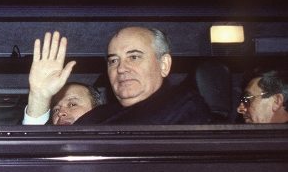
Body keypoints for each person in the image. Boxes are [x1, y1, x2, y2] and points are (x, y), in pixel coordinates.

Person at [24, 27, 213, 125]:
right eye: (114, 60)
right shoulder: (96, 119)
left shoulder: (184, 107)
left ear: (164, 65)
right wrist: (39, 97)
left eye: (134, 57)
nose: (121, 68)